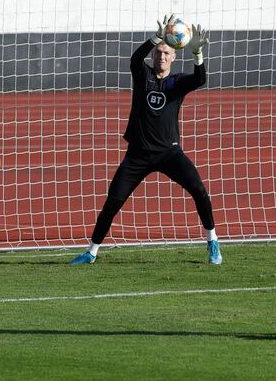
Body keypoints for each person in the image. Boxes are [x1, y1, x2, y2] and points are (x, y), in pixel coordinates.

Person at [71, 14, 221, 265]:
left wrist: (197, 55)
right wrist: (155, 38)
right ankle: (91, 252)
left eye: (166, 53)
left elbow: (200, 79)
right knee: (113, 201)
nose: (161, 57)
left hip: (169, 154)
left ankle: (213, 242)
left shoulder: (177, 82)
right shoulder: (144, 77)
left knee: (199, 190)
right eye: (158, 53)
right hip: (138, 154)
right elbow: (134, 58)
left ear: (174, 57)